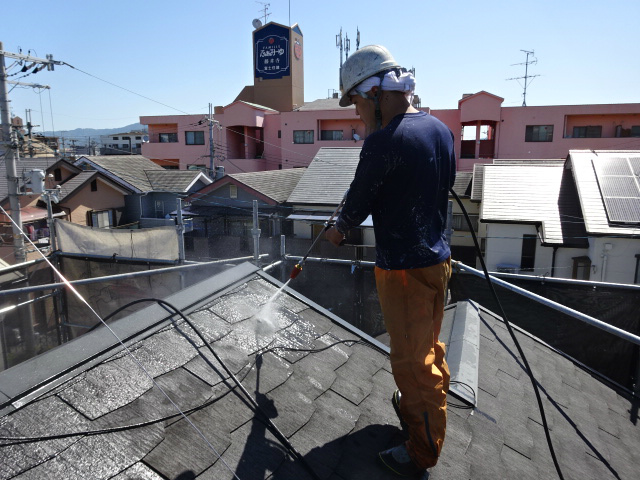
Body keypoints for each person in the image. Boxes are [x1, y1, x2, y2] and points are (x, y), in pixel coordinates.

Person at [326, 45, 456, 478]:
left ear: (377, 93)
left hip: (404, 272)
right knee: (429, 348)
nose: (357, 113)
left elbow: (354, 208)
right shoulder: (439, 130)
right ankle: (421, 410)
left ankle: (422, 449)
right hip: (438, 263)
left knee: (410, 363)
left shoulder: (384, 142)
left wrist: (337, 229)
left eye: (358, 103)